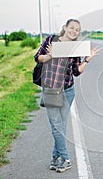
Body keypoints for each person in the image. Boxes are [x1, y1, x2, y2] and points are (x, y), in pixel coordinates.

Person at [34, 18, 97, 173]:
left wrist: (87, 60)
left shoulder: (75, 48)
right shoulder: (52, 40)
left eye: (77, 30)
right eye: (72, 28)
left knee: (60, 127)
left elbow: (76, 72)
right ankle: (66, 158)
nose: (74, 31)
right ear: (65, 27)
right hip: (51, 90)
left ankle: (55, 157)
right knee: (56, 126)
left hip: (68, 91)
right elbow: (38, 57)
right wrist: (49, 56)